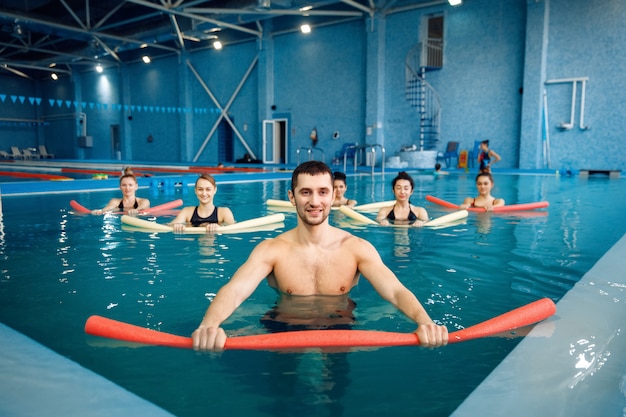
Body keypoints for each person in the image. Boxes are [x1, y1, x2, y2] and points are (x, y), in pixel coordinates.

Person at [191, 161, 448, 351]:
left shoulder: (356, 247)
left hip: (341, 329)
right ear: (292, 197)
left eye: (322, 192)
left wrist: (425, 322)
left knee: (335, 393)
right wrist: (209, 324)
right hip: (282, 329)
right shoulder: (271, 249)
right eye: (306, 192)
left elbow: (395, 291)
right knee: (282, 396)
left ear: (333, 195)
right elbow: (235, 290)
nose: (315, 201)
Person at [169, 174, 235, 232]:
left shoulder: (224, 212)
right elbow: (169, 226)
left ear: (215, 190)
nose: (204, 193)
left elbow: (234, 227)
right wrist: (177, 226)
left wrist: (220, 228)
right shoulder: (187, 212)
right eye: (200, 189)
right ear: (195, 191)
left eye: (208, 189)